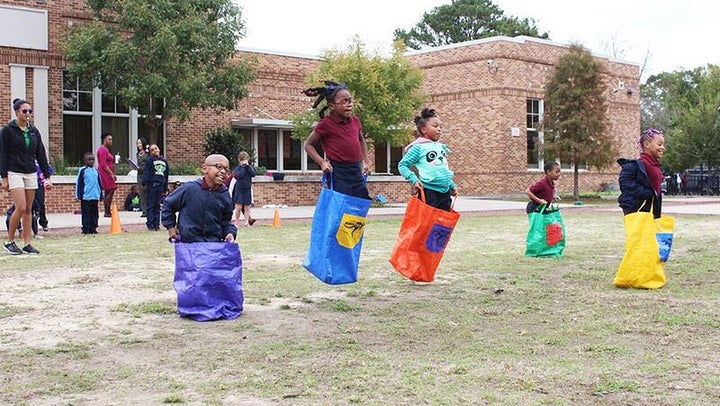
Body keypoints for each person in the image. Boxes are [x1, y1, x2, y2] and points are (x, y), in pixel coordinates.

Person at [0, 98, 53, 255]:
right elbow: (3, 154)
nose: (28, 114)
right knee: (21, 207)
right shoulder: (8, 131)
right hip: (14, 171)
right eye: (25, 111)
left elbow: (41, 154)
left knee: (29, 209)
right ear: (17, 113)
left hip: (30, 172)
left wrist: (47, 176)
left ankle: (27, 243)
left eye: (30, 111)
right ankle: (9, 241)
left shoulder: (33, 131)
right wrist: (4, 176)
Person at [303, 81, 371, 199]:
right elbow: (308, 145)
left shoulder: (355, 121)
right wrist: (322, 162)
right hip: (338, 172)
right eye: (344, 101)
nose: (349, 104)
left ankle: (355, 219)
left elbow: (361, 139)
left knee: (359, 202)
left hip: (356, 170)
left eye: (350, 100)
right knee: (340, 205)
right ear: (331, 106)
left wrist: (366, 161)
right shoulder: (326, 124)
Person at [161, 154, 237, 243]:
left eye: (226, 169)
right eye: (219, 167)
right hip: (189, 244)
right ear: (205, 169)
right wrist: (170, 227)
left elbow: (226, 221)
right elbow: (168, 205)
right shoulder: (189, 189)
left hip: (214, 245)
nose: (223, 171)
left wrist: (230, 233)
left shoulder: (225, 195)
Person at [398, 107, 457, 211]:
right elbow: (403, 165)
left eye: (440, 127)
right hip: (429, 192)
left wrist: (452, 184)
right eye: (435, 126)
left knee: (442, 225)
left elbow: (443, 169)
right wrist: (414, 180)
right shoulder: (418, 147)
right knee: (427, 224)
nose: (439, 129)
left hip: (445, 192)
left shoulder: (440, 147)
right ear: (424, 129)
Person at [617, 128, 666, 219]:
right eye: (659, 144)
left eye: (663, 145)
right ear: (647, 144)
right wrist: (647, 193)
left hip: (652, 212)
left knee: (652, 233)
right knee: (638, 233)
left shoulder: (656, 166)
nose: (662, 147)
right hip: (637, 212)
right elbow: (625, 182)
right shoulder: (635, 166)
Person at [141, 144, 169, 231]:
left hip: (160, 185)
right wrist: (144, 183)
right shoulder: (150, 160)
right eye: (152, 150)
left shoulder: (164, 161)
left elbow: (166, 175)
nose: (155, 150)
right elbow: (147, 172)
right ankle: (150, 224)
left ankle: (156, 224)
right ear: (150, 152)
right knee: (151, 205)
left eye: (156, 148)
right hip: (152, 185)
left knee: (157, 205)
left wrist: (165, 187)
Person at [75, 152, 103, 234]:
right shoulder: (82, 170)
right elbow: (79, 183)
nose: (91, 161)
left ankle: (93, 228)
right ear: (85, 161)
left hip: (95, 196)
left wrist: (101, 195)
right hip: (86, 197)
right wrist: (78, 195)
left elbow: (99, 183)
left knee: (95, 214)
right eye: (89, 160)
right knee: (86, 214)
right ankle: (86, 229)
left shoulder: (96, 171)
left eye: (93, 159)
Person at [230, 151, 256, 227]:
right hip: (239, 189)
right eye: (242, 160)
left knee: (247, 207)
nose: (244, 161)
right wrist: (243, 167)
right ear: (239, 160)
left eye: (245, 159)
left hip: (247, 189)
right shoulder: (238, 168)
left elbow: (253, 174)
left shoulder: (250, 168)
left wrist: (247, 166)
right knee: (238, 207)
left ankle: (246, 222)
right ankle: (237, 221)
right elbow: (239, 175)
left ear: (248, 159)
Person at [96, 132, 117, 218]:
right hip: (105, 173)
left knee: (110, 191)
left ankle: (108, 210)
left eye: (111, 139)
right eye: (109, 139)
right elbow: (103, 164)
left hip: (108, 172)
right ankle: (107, 211)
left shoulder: (107, 150)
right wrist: (111, 174)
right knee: (109, 191)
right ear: (104, 140)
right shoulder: (102, 149)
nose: (111, 141)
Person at [34, 159, 54, 232]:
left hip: (39, 185)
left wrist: (46, 178)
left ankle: (43, 222)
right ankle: (31, 224)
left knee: (41, 204)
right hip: (28, 185)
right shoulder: (27, 161)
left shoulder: (40, 162)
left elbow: (49, 170)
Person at [135, 137, 149, 217]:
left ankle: (147, 210)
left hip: (145, 175)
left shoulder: (147, 154)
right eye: (137, 143)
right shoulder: (138, 154)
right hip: (139, 175)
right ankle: (143, 210)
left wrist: (142, 169)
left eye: (140, 143)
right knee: (141, 193)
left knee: (146, 192)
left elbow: (147, 165)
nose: (139, 145)